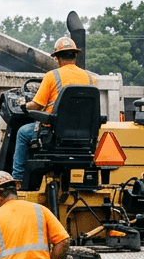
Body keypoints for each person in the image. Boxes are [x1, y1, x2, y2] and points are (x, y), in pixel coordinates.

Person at [12, 37, 99, 185]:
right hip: (83, 139)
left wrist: (23, 106)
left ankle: (18, 178)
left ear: (57, 59)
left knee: (22, 133)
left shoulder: (52, 76)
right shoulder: (91, 79)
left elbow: (38, 105)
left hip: (54, 136)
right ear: (75, 56)